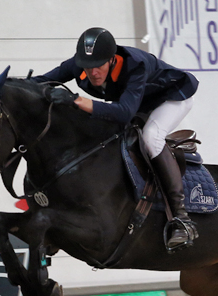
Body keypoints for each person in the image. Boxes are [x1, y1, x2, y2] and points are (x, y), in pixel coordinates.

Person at [33, 27, 200, 250]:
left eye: (99, 65)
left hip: (172, 97)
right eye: (88, 66)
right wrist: (1, 87)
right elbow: (41, 82)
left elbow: (124, 113)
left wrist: (77, 101)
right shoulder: (78, 64)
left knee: (151, 138)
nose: (93, 72)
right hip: (140, 102)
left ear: (112, 59)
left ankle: (181, 219)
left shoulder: (135, 65)